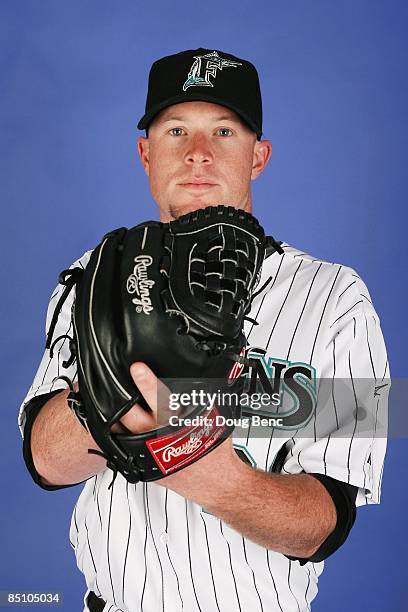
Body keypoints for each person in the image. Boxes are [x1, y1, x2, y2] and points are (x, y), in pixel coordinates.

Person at [19, 48, 389, 612]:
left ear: (258, 155)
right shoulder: (94, 275)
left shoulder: (338, 297)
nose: (198, 154)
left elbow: (325, 524)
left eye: (223, 130)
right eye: (175, 131)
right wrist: (119, 401)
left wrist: (195, 462)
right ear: (146, 153)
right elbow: (43, 460)